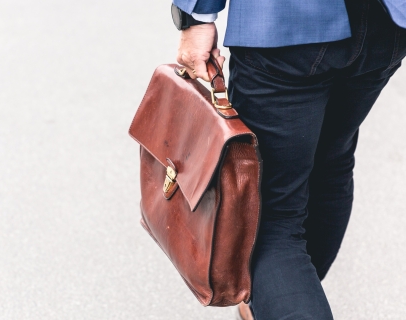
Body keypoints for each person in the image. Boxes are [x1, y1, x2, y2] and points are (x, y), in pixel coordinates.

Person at [171, 0, 406, 319]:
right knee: (330, 161)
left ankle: (286, 297)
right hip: (388, 24)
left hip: (288, 20)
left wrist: (195, 15)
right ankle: (284, 294)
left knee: (268, 212)